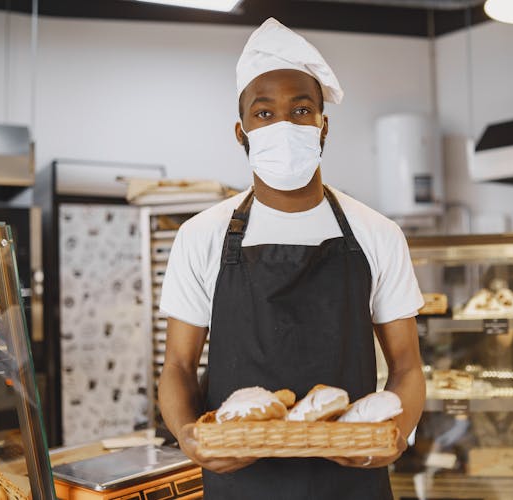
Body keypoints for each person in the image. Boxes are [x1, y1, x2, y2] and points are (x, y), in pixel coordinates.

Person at [158, 17, 425, 500]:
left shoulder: (377, 233)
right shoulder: (201, 236)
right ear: (241, 133)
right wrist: (190, 436)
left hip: (353, 479)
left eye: (301, 110)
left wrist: (395, 435)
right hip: (240, 481)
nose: (284, 125)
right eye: (264, 114)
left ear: (324, 125)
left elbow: (406, 365)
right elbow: (178, 365)